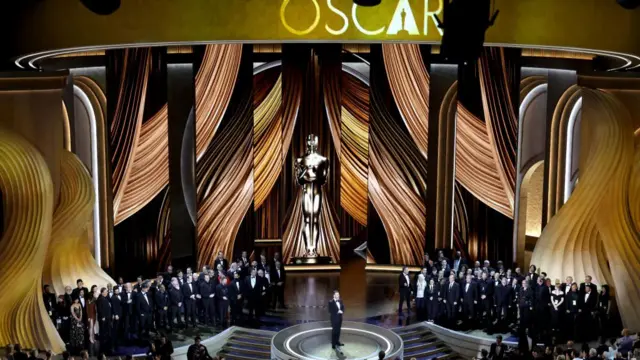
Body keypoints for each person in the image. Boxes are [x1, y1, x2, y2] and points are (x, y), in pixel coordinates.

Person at [96, 287, 113, 353]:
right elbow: (99, 309)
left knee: (107, 333)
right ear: (102, 292)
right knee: (103, 333)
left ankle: (107, 348)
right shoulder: (100, 299)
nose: (107, 292)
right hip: (104, 319)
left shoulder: (105, 298)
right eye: (106, 291)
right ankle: (103, 349)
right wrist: (103, 316)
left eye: (107, 291)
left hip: (107, 318)